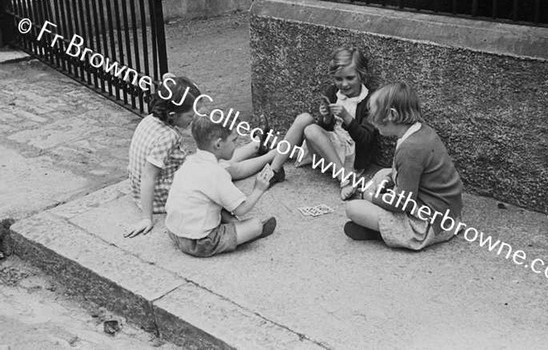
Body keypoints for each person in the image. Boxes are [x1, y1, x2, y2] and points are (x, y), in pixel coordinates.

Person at [125, 75, 276, 238]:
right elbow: (149, 176)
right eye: (190, 115)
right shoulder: (167, 137)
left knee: (216, 159)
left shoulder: (150, 120)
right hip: (159, 196)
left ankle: (256, 146)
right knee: (227, 168)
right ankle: (271, 155)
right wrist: (146, 218)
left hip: (145, 188)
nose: (193, 119)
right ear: (172, 114)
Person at [344, 82, 463, 250]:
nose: (371, 119)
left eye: (374, 113)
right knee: (381, 175)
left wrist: (370, 197)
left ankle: (388, 233)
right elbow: (398, 171)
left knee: (353, 208)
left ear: (391, 114)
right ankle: (380, 225)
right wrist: (388, 181)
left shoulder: (410, 149)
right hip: (449, 213)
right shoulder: (420, 131)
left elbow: (404, 203)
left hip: (430, 223)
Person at [268, 46, 378, 199]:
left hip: (351, 157)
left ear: (362, 75)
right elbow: (323, 130)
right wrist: (326, 118)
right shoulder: (333, 92)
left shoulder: (371, 101)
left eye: (350, 78)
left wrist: (347, 118)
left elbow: (366, 140)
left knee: (310, 130)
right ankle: (275, 170)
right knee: (304, 118)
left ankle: (344, 178)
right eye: (338, 79)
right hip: (329, 149)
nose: (344, 84)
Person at [165, 114, 277, 257]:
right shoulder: (217, 173)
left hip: (173, 231)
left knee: (215, 202)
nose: (235, 144)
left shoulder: (189, 162)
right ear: (218, 144)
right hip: (199, 242)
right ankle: (241, 233)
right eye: (234, 140)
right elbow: (242, 209)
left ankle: (233, 225)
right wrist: (259, 189)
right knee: (255, 226)